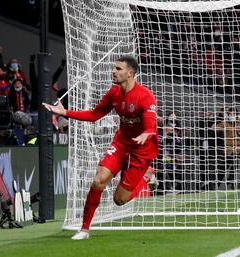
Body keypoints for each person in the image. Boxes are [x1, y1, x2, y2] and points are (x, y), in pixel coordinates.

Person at [42, 56, 159, 240]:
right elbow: (95, 114)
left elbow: (151, 125)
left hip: (141, 150)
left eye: (118, 69)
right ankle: (85, 229)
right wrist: (65, 113)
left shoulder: (145, 96)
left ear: (130, 73)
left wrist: (147, 133)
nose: (113, 71)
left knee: (119, 200)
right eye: (114, 68)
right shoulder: (114, 93)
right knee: (98, 181)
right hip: (121, 144)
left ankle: (146, 178)